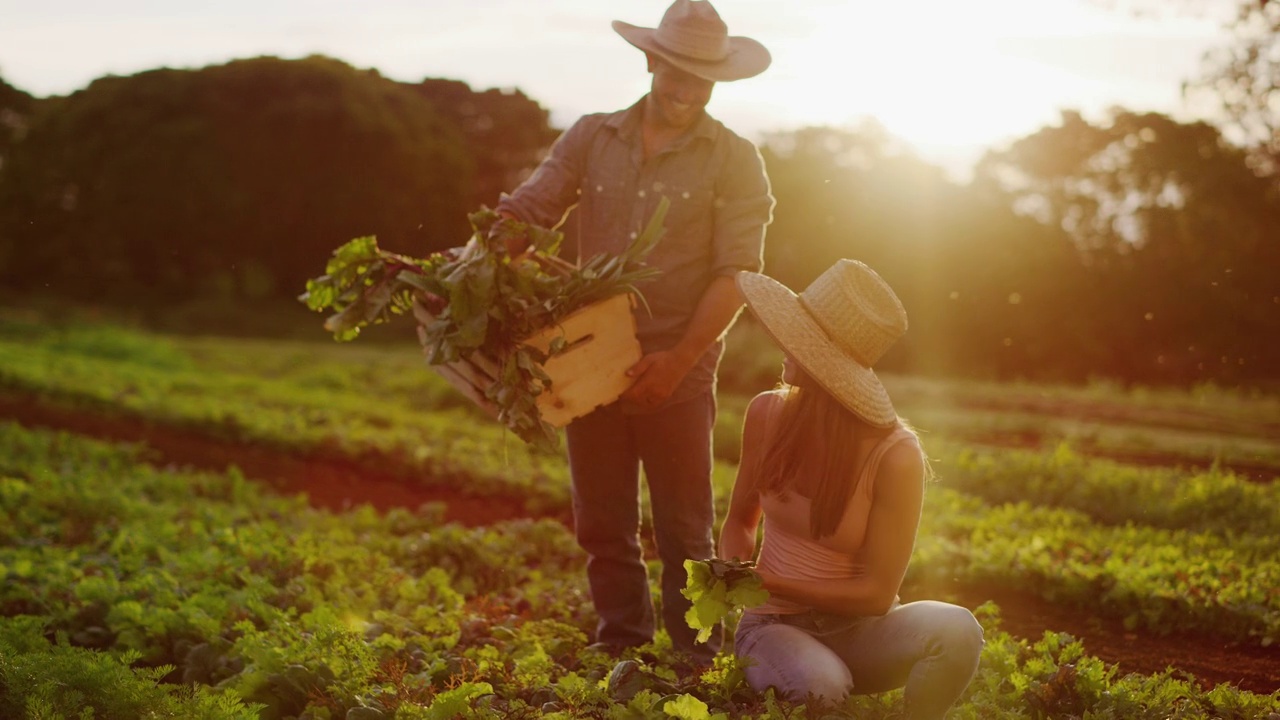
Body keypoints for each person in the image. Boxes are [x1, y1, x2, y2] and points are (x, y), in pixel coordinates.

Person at [494, 0, 775, 661]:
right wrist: (482, 254)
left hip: (678, 370)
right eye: (674, 71)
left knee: (684, 529)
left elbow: (737, 274)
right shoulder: (594, 137)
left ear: (717, 82)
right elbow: (532, 208)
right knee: (603, 522)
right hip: (589, 361)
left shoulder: (735, 161)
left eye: (699, 78)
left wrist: (677, 360)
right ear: (651, 60)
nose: (684, 90)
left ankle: (696, 657)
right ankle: (622, 644)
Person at [718, 260, 985, 718]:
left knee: (958, 628)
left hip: (863, 633)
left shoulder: (895, 455)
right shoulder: (766, 414)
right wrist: (731, 571)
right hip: (771, 627)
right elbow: (740, 521)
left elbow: (877, 596)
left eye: (796, 340)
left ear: (827, 367)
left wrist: (769, 581)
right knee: (822, 682)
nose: (782, 346)